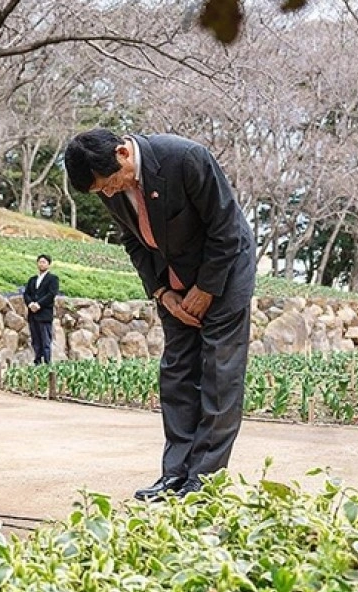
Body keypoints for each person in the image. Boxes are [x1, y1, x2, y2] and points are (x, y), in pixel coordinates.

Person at [65, 128, 256, 500]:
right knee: (177, 374)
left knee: (220, 373)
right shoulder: (110, 185)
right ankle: (174, 476)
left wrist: (206, 289)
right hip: (173, 279)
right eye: (100, 191)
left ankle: (203, 481)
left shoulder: (185, 158)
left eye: (108, 184)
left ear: (122, 153)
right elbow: (133, 241)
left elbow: (226, 227)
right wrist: (161, 292)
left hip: (225, 271)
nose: (107, 193)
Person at [25, 254, 59, 365]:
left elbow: (51, 294)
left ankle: (47, 363)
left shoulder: (53, 279)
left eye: (44, 262)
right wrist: (30, 304)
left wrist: (39, 304)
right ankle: (37, 362)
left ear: (49, 264)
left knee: (45, 341)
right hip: (32, 314)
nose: (41, 264)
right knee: (35, 341)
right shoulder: (32, 279)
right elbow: (26, 294)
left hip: (44, 314)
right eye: (40, 262)